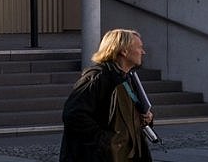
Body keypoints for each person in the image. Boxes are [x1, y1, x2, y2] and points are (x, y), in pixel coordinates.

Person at [60, 28, 155, 162]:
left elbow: (127, 115)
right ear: (124, 51)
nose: (143, 52)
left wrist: (146, 118)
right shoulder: (98, 78)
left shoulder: (128, 77)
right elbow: (74, 115)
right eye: (139, 47)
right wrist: (106, 142)